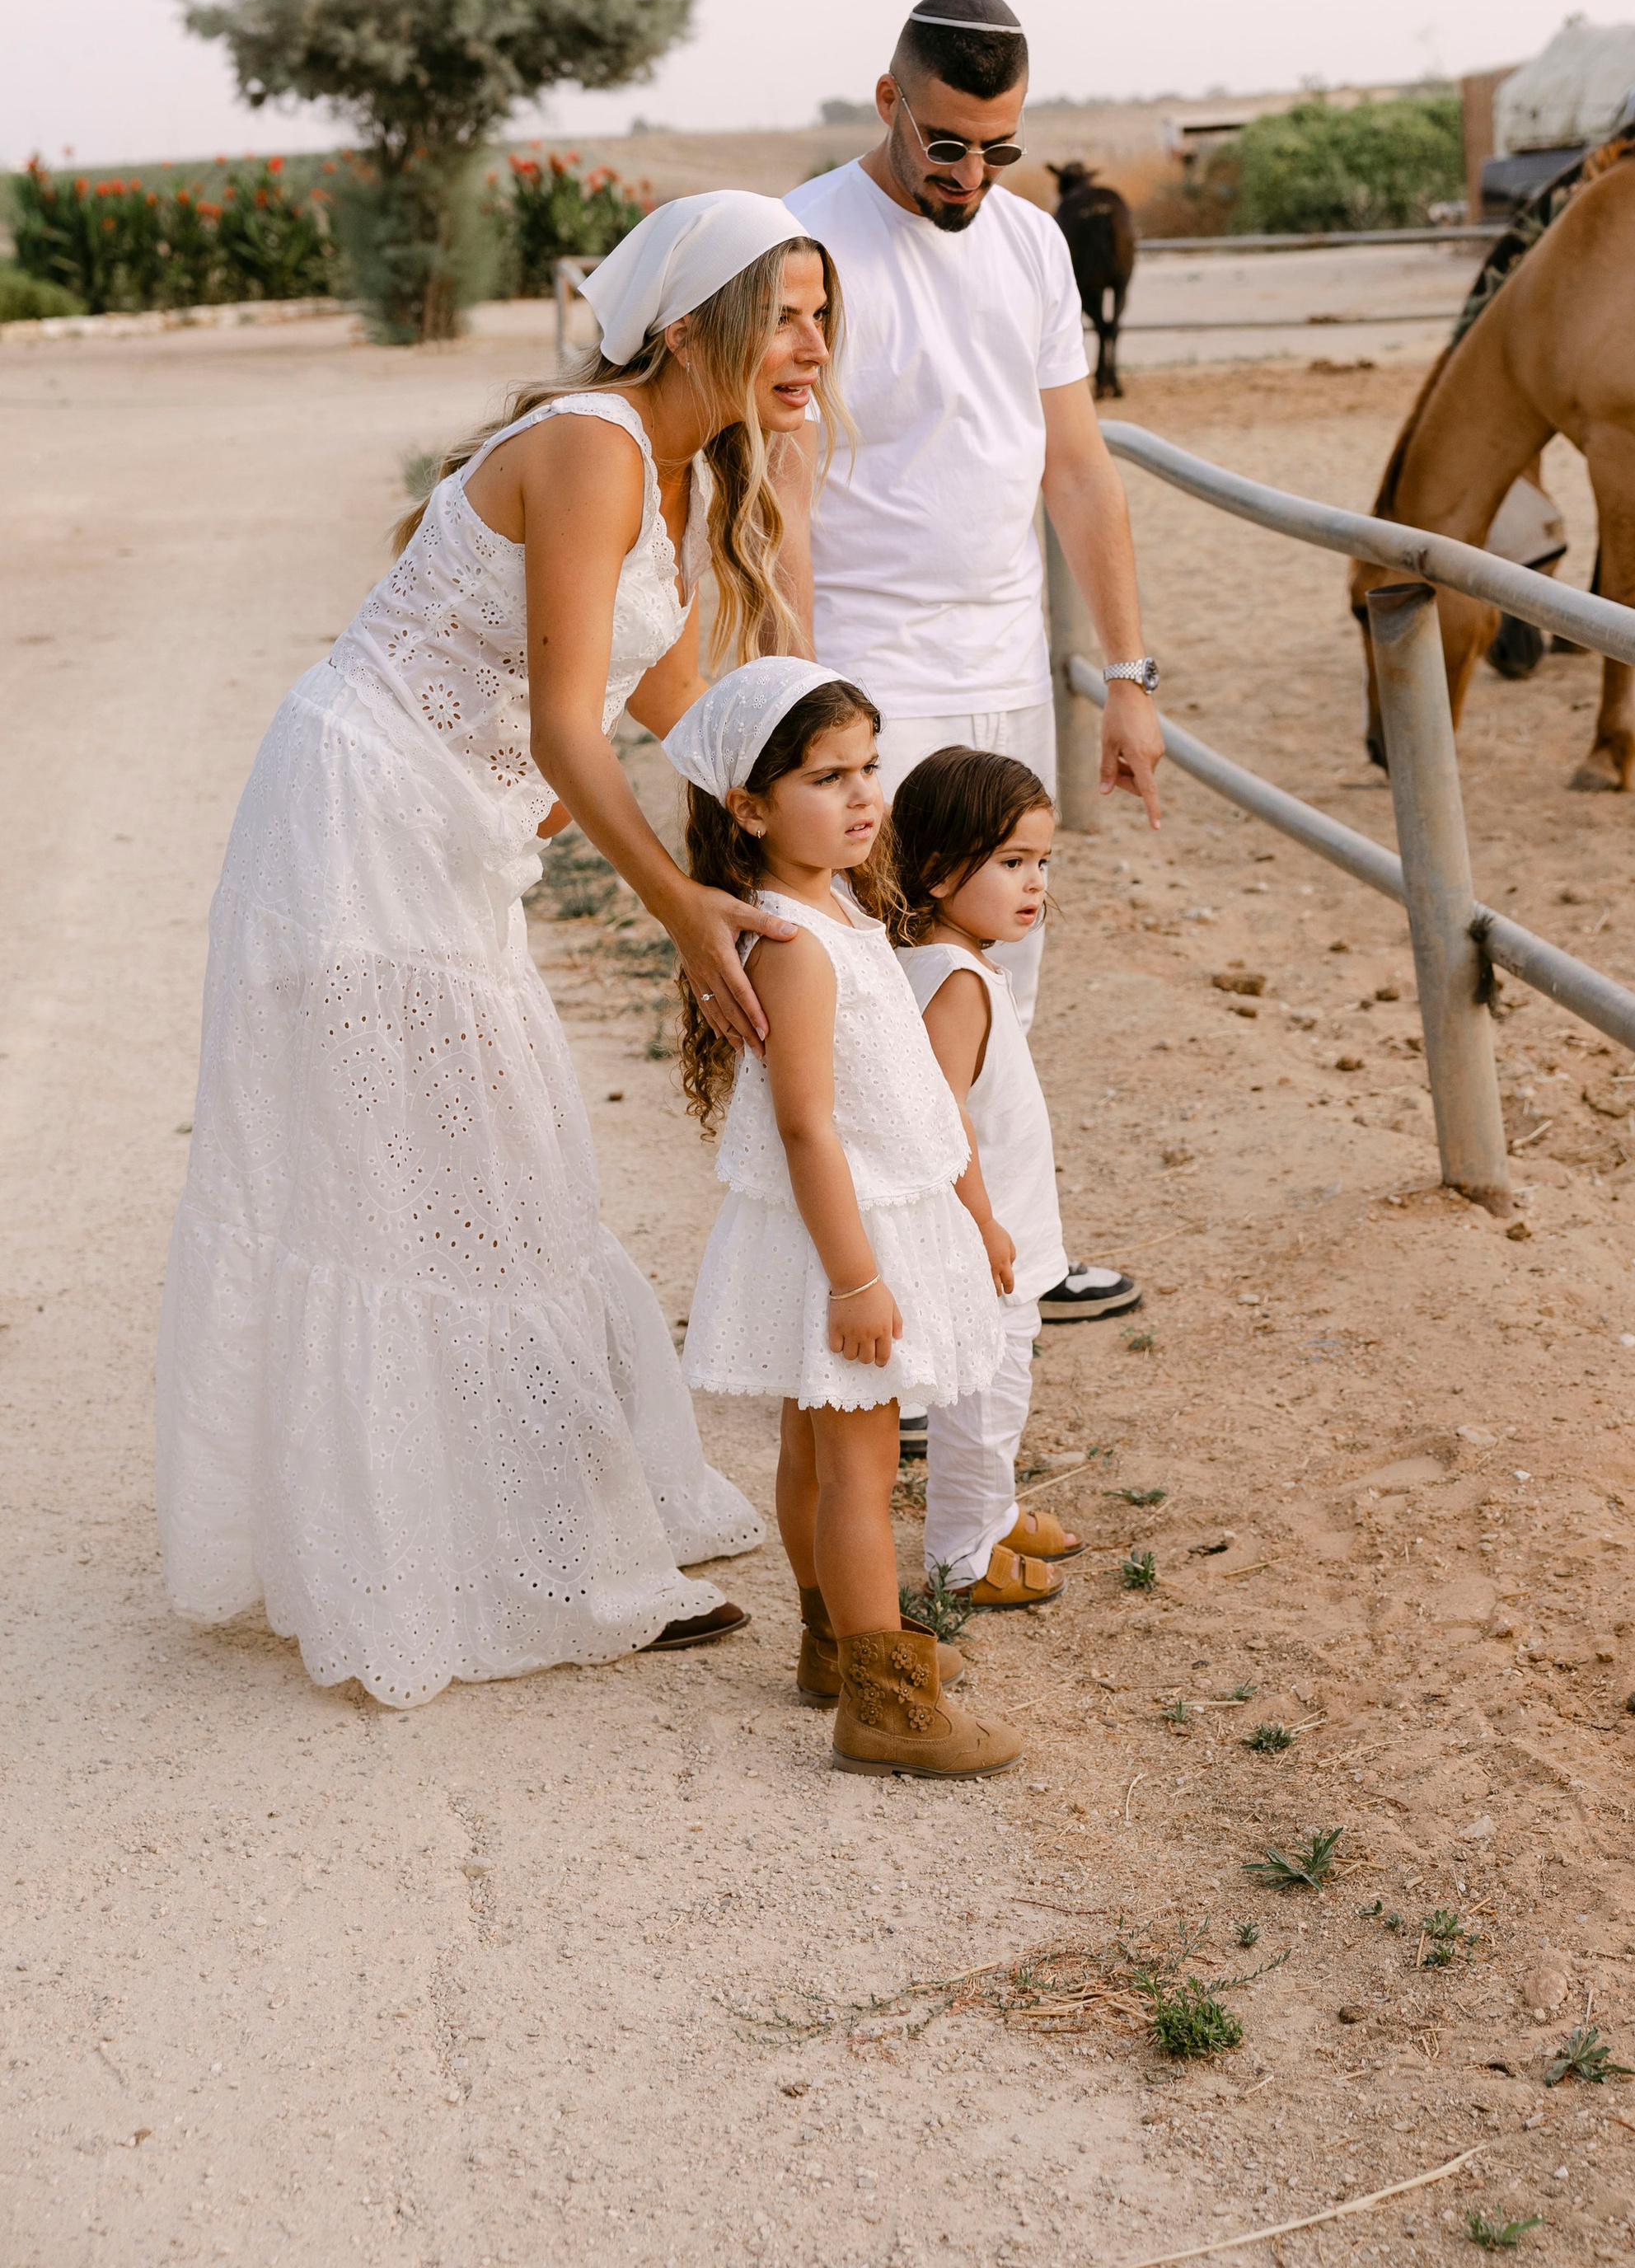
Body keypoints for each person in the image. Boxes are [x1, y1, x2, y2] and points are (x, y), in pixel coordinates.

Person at [155, 192, 838, 1709]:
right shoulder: (597, 448)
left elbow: (699, 723)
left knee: (497, 1174)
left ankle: (552, 1534)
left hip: (441, 848)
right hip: (363, 825)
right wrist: (684, 909)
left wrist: (847, 812)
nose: (812, 344)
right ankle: (510, 1567)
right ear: (689, 323)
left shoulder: (663, 478)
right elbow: (557, 724)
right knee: (437, 1182)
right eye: (784, 311)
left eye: (820, 316)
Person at [789, 0, 1160, 1347]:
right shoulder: (806, 242)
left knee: (1004, 975)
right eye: (946, 142)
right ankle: (891, 1306)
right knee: (885, 1003)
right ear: (889, 101)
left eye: (997, 149)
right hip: (870, 674)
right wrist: (802, 710)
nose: (969, 174)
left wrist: (1127, 676)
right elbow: (775, 492)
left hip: (1007, 660)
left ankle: (1018, 1260)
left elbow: (1078, 469)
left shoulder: (1033, 247)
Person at [669, 662, 1024, 1780]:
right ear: (751, 808)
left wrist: (973, 1208)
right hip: (844, 1234)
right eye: (828, 777)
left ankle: (835, 1639)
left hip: (857, 1221)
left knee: (818, 1450)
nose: (864, 795)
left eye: (869, 767)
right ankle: (883, 1700)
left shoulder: (842, 907)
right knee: (860, 1467)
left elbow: (915, 1089)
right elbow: (810, 1129)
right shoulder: (797, 943)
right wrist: (860, 1279)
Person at [889, 748, 1083, 1610]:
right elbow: (943, 1115)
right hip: (983, 1232)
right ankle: (964, 1553)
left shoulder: (949, 959)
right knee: (987, 1390)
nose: (1033, 883)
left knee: (1003, 1381)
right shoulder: (956, 979)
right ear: (935, 871)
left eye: (1042, 863)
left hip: (997, 1221)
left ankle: (992, 1515)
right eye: (1010, 863)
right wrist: (983, 1223)